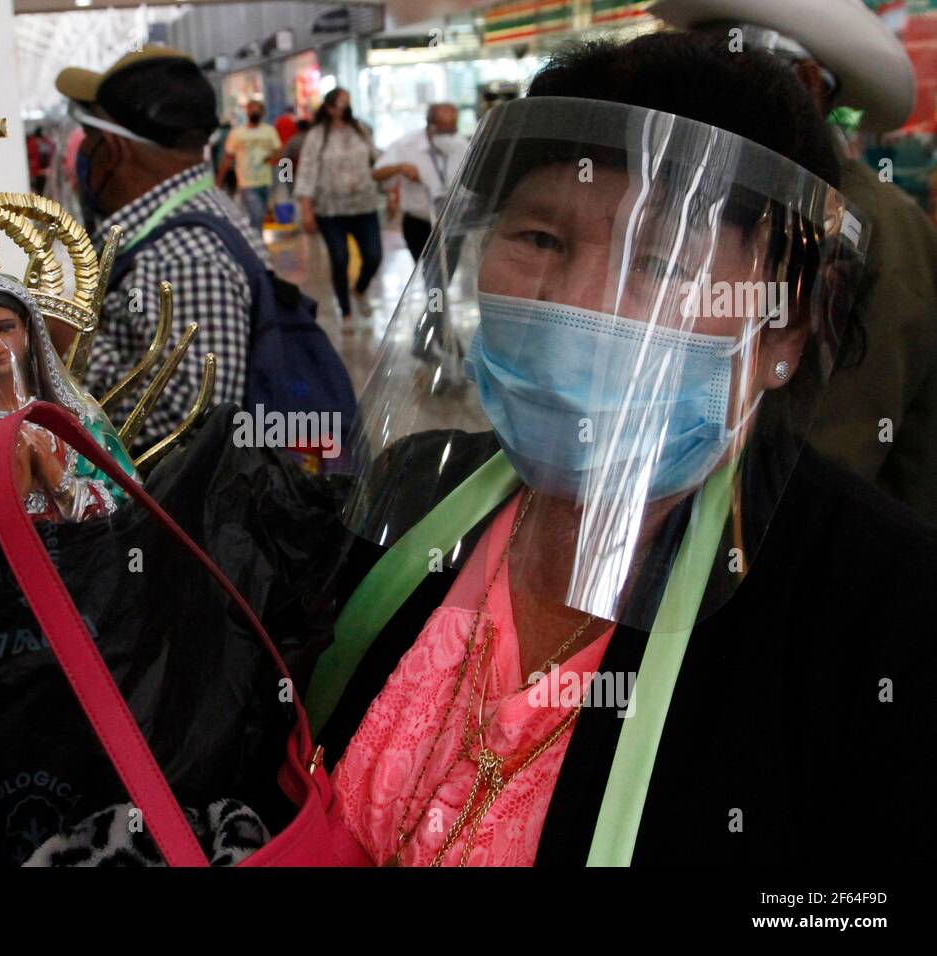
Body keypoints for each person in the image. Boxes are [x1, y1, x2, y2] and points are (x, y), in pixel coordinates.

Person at [306, 33, 937, 867]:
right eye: (538, 239)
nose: (577, 303)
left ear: (780, 329)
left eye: (662, 261)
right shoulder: (413, 492)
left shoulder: (877, 607)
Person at [653, 0, 937, 526]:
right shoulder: (746, 200)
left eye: (735, 73)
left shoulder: (866, 223)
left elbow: (838, 447)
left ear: (807, 85)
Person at [55, 47, 268, 452]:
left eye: (90, 138)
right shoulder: (192, 217)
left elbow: (195, 422)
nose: (80, 156)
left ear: (114, 149)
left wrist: (70, 343)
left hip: (176, 511)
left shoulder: (181, 255)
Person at [0, 273, 135, 546]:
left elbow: (129, 508)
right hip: (2, 579)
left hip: (86, 569)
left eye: (5, 328)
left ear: (28, 330)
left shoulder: (77, 416)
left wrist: (59, 482)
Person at [295, 88, 384, 321]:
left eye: (348, 102)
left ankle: (360, 289)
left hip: (364, 205)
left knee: (374, 255)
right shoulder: (317, 136)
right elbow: (306, 171)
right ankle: (345, 308)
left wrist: (391, 189)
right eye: (342, 103)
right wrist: (306, 210)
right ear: (330, 107)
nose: (346, 107)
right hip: (330, 209)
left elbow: (377, 161)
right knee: (340, 258)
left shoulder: (361, 130)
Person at [373, 103, 470, 263]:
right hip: (419, 222)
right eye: (443, 131)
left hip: (452, 221)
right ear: (430, 127)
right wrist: (400, 168)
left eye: (452, 130)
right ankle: (432, 289)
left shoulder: (461, 144)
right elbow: (376, 174)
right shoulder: (406, 145)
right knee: (427, 271)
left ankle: (437, 290)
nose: (448, 136)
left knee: (446, 272)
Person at [217, 99, 282, 231]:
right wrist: (219, 180)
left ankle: (257, 239)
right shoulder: (236, 134)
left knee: (260, 215)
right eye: (251, 108)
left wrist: (272, 161)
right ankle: (257, 244)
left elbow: (279, 152)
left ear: (262, 112)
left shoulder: (269, 131)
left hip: (266, 180)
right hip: (247, 181)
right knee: (256, 213)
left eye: (257, 109)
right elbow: (228, 157)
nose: (254, 112)